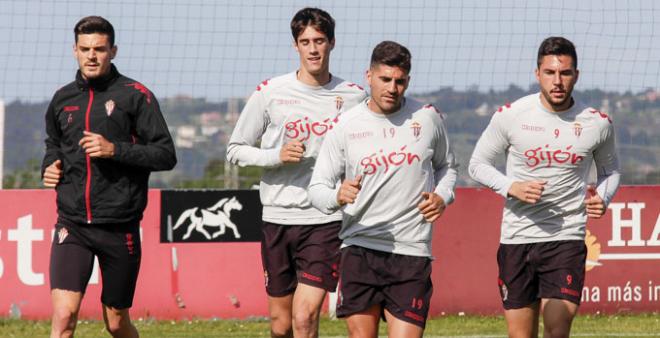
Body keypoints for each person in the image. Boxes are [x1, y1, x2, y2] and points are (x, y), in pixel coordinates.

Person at [226, 7, 366, 338]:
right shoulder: (271, 91)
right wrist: (277, 155)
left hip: (324, 220)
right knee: (281, 325)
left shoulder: (354, 97)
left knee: (304, 318)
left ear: (332, 43)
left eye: (319, 40)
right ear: (296, 46)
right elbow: (235, 150)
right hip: (276, 218)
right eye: (306, 42)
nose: (313, 49)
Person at [468, 37, 620, 338]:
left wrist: (603, 197)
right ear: (537, 73)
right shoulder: (511, 115)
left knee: (557, 330)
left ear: (576, 75)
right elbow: (477, 164)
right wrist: (512, 186)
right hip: (517, 239)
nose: (558, 81)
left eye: (565, 73)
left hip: (566, 238)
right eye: (550, 73)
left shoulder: (597, 123)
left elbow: (611, 170)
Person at [308, 41, 458, 338]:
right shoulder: (346, 125)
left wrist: (443, 196)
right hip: (360, 249)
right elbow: (317, 189)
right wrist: (337, 196)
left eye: (399, 81)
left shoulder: (428, 118)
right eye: (385, 79)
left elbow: (448, 167)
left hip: (411, 252)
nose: (392, 88)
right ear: (369, 76)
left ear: (408, 81)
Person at [42, 16, 176, 338]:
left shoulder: (135, 95)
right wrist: (51, 165)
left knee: (116, 323)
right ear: (74, 50)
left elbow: (165, 154)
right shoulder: (62, 99)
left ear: (113, 51)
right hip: (72, 223)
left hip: (119, 227)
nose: (92, 55)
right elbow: (54, 143)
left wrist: (114, 150)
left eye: (100, 49)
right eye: (85, 48)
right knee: (63, 317)